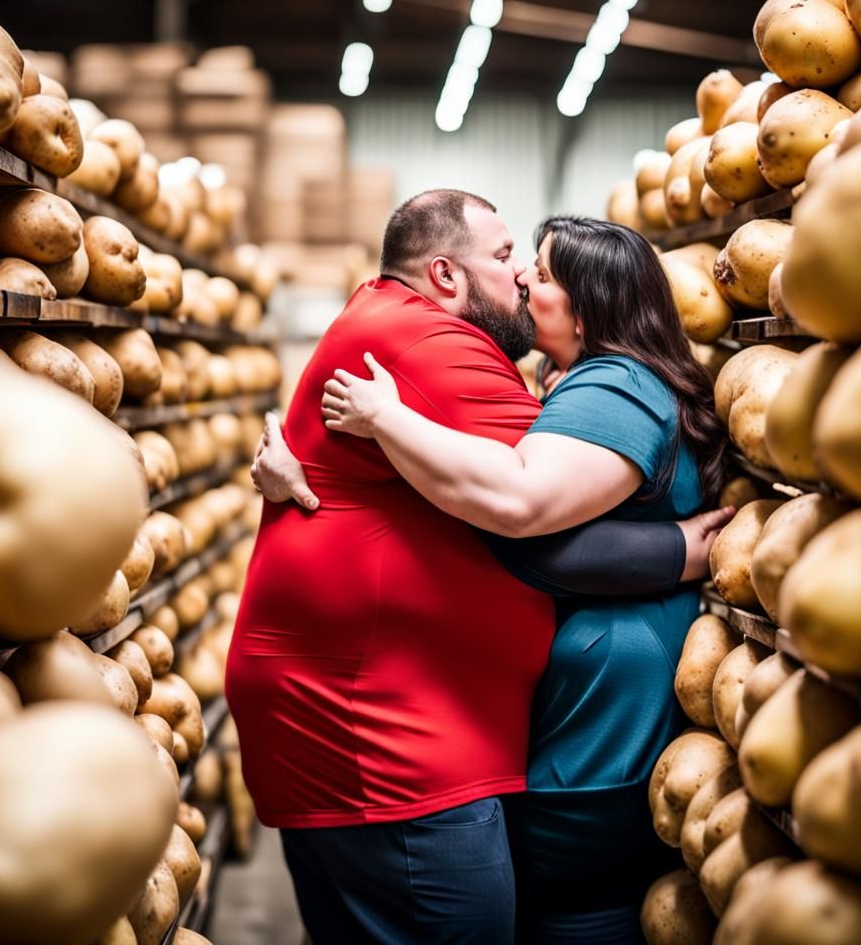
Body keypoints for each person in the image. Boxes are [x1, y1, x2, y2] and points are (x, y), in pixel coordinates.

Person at [228, 191, 728, 945]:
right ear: (445, 277)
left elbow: (521, 504)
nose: (522, 275)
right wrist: (681, 551)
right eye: (506, 258)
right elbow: (517, 504)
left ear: (593, 305)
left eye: (539, 269)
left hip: (421, 732)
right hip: (389, 739)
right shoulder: (440, 345)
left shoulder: (591, 383)